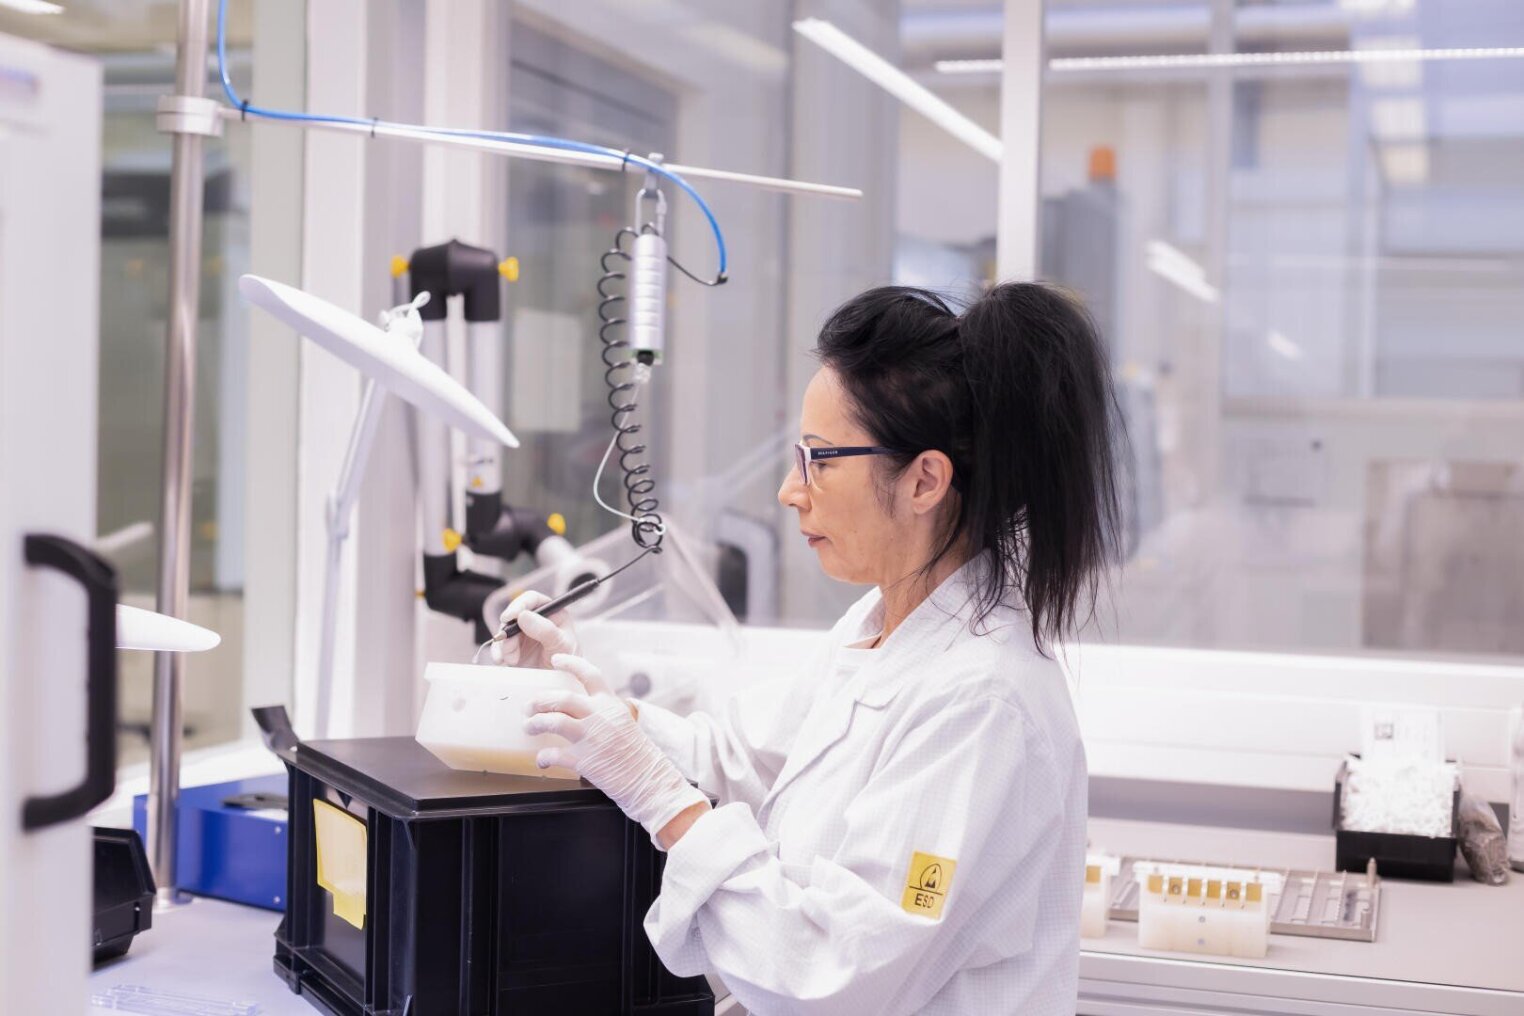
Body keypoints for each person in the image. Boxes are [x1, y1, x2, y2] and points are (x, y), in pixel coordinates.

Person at [500, 283, 1121, 1015]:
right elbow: (742, 761)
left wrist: (661, 799)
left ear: (925, 479)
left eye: (820, 460)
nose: (790, 491)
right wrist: (595, 714)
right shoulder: (880, 626)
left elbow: (835, 973)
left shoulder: (982, 701)